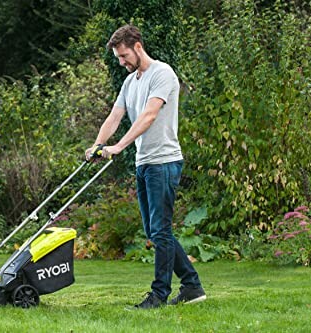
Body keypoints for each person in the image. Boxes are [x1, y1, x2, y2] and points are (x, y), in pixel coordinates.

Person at [85, 24, 206, 309]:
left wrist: (118, 147)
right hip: (145, 162)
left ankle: (158, 296)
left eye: (124, 55)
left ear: (138, 47)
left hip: (163, 162)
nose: (121, 62)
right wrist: (97, 144)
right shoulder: (130, 82)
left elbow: (149, 115)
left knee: (161, 231)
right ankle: (192, 286)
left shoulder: (162, 74)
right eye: (118, 57)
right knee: (155, 232)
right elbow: (116, 116)